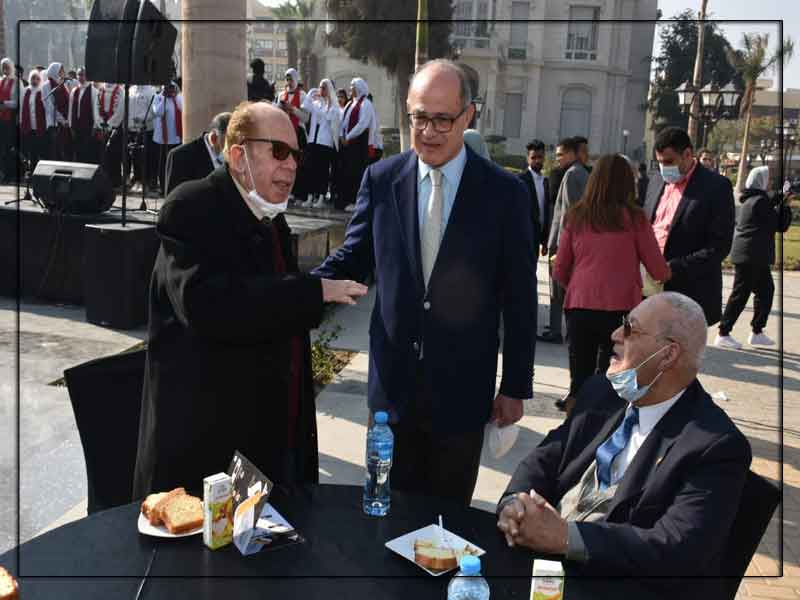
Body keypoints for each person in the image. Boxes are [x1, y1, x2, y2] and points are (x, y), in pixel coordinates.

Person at [314, 59, 535, 506]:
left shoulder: (504, 194)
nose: (429, 131)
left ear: (468, 116)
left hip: (462, 393)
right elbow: (355, 257)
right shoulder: (381, 180)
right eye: (419, 118)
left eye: (442, 120)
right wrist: (298, 291)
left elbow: (520, 297)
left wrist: (514, 386)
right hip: (392, 393)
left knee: (447, 528)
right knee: (386, 518)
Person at [132, 101, 368, 497]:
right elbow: (209, 306)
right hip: (205, 459)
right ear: (239, 155)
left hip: (270, 445)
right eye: (279, 152)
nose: (291, 165)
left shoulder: (271, 216)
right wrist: (314, 291)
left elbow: (276, 317)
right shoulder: (191, 207)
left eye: (296, 154)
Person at [497, 292, 751, 597]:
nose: (615, 335)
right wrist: (515, 504)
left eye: (630, 329)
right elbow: (544, 458)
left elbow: (676, 547)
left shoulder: (715, 445)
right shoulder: (600, 392)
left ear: (668, 355)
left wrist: (567, 537)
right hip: (546, 568)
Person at [553, 155, 670, 413]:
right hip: (621, 309)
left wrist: (576, 286)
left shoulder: (576, 216)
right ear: (628, 183)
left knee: (579, 376)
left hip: (579, 306)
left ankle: (575, 424)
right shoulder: (635, 218)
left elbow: (560, 268)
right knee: (615, 374)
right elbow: (658, 269)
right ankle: (604, 426)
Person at [644, 126, 735, 326]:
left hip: (688, 290)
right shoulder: (656, 181)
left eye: (668, 162)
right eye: (659, 162)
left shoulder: (716, 187)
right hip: (647, 287)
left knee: (679, 353)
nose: (663, 168)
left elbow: (719, 246)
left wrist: (674, 268)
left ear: (687, 154)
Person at [716, 166, 792, 349]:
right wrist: (786, 205)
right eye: (769, 180)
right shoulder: (759, 202)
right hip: (751, 256)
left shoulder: (751, 200)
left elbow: (769, 204)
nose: (771, 183)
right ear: (762, 182)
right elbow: (779, 224)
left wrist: (781, 196)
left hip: (751, 255)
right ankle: (723, 333)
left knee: (765, 291)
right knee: (740, 295)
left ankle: (757, 331)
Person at [542, 136, 588, 345]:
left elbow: (570, 214)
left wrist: (562, 247)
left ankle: (558, 331)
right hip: (569, 241)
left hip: (563, 242)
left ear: (572, 154)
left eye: (561, 154)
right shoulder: (581, 173)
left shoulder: (572, 175)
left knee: (559, 290)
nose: (557, 158)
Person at [165, 111, 231, 195]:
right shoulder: (180, 156)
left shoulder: (235, 153)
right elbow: (174, 199)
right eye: (229, 142)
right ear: (214, 138)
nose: (233, 147)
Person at [299, 79, 339, 208]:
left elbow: (330, 119)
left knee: (322, 171)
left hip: (325, 143)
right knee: (311, 169)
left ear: (330, 90)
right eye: (320, 87)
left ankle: (321, 198)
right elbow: (304, 107)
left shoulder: (334, 107)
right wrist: (311, 93)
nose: (321, 90)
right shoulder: (316, 104)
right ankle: (310, 197)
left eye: (324, 88)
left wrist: (329, 102)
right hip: (313, 140)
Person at [337, 77, 374, 212]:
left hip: (358, 144)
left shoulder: (366, 104)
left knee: (356, 173)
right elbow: (343, 121)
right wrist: (342, 135)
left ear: (358, 88)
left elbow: (363, 124)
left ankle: (355, 201)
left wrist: (349, 136)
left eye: (352, 86)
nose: (350, 89)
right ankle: (345, 199)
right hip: (346, 143)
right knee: (345, 172)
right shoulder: (350, 103)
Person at [275, 68, 308, 201]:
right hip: (283, 132)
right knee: (283, 163)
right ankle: (285, 191)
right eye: (287, 79)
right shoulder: (281, 94)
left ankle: (299, 193)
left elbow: (306, 118)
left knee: (298, 164)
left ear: (296, 79)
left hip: (297, 133)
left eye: (291, 79)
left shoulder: (303, 95)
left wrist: (293, 109)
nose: (289, 82)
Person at [152, 81, 183, 195]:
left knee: (174, 163)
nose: (170, 90)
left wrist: (175, 96)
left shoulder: (179, 98)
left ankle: (174, 186)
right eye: (168, 88)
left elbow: (182, 108)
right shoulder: (158, 98)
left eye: (172, 88)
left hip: (175, 137)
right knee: (163, 164)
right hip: (162, 138)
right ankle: (163, 187)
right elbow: (158, 112)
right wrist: (164, 98)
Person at [519, 139, 549, 257]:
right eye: (533, 157)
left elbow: (546, 211)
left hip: (537, 237)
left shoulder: (546, 181)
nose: (537, 160)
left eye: (540, 157)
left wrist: (545, 240)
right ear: (528, 158)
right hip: (523, 236)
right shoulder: (520, 180)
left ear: (544, 158)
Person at [127, 84, 158, 192]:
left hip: (147, 129)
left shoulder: (151, 90)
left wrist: (142, 118)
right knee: (135, 156)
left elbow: (154, 112)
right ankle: (137, 180)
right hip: (132, 129)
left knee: (146, 156)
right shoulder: (131, 90)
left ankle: (147, 182)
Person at [67, 67, 100, 165]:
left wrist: (95, 126)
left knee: (87, 153)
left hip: (88, 127)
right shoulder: (74, 91)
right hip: (76, 127)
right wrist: (70, 125)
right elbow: (71, 109)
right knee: (77, 152)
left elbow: (96, 110)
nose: (81, 77)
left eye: (83, 74)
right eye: (79, 75)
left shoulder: (94, 91)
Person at [40, 62, 70, 161]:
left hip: (65, 123)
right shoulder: (46, 86)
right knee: (55, 151)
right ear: (55, 71)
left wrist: (67, 120)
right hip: (55, 124)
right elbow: (49, 107)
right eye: (61, 71)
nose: (63, 73)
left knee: (64, 150)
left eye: (62, 71)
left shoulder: (62, 84)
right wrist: (62, 120)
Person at [98, 81, 124, 187]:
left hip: (114, 126)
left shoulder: (120, 90)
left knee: (114, 155)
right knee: (103, 156)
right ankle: (104, 180)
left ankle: (116, 181)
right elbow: (97, 106)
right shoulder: (101, 89)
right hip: (102, 126)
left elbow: (120, 111)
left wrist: (110, 125)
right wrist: (100, 122)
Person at [19, 69, 45, 173]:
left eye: (37, 78)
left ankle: (40, 172)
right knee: (31, 151)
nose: (35, 80)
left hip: (39, 125)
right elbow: (22, 108)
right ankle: (32, 171)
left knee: (39, 150)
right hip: (28, 125)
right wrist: (21, 121)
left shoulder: (42, 91)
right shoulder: (26, 90)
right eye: (33, 78)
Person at [0, 58, 19, 182]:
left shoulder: (16, 82)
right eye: (3, 67)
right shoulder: (1, 81)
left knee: (9, 147)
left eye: (7, 67)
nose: (5, 70)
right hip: (1, 119)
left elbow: (16, 103)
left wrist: (3, 103)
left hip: (10, 119)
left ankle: (10, 174)